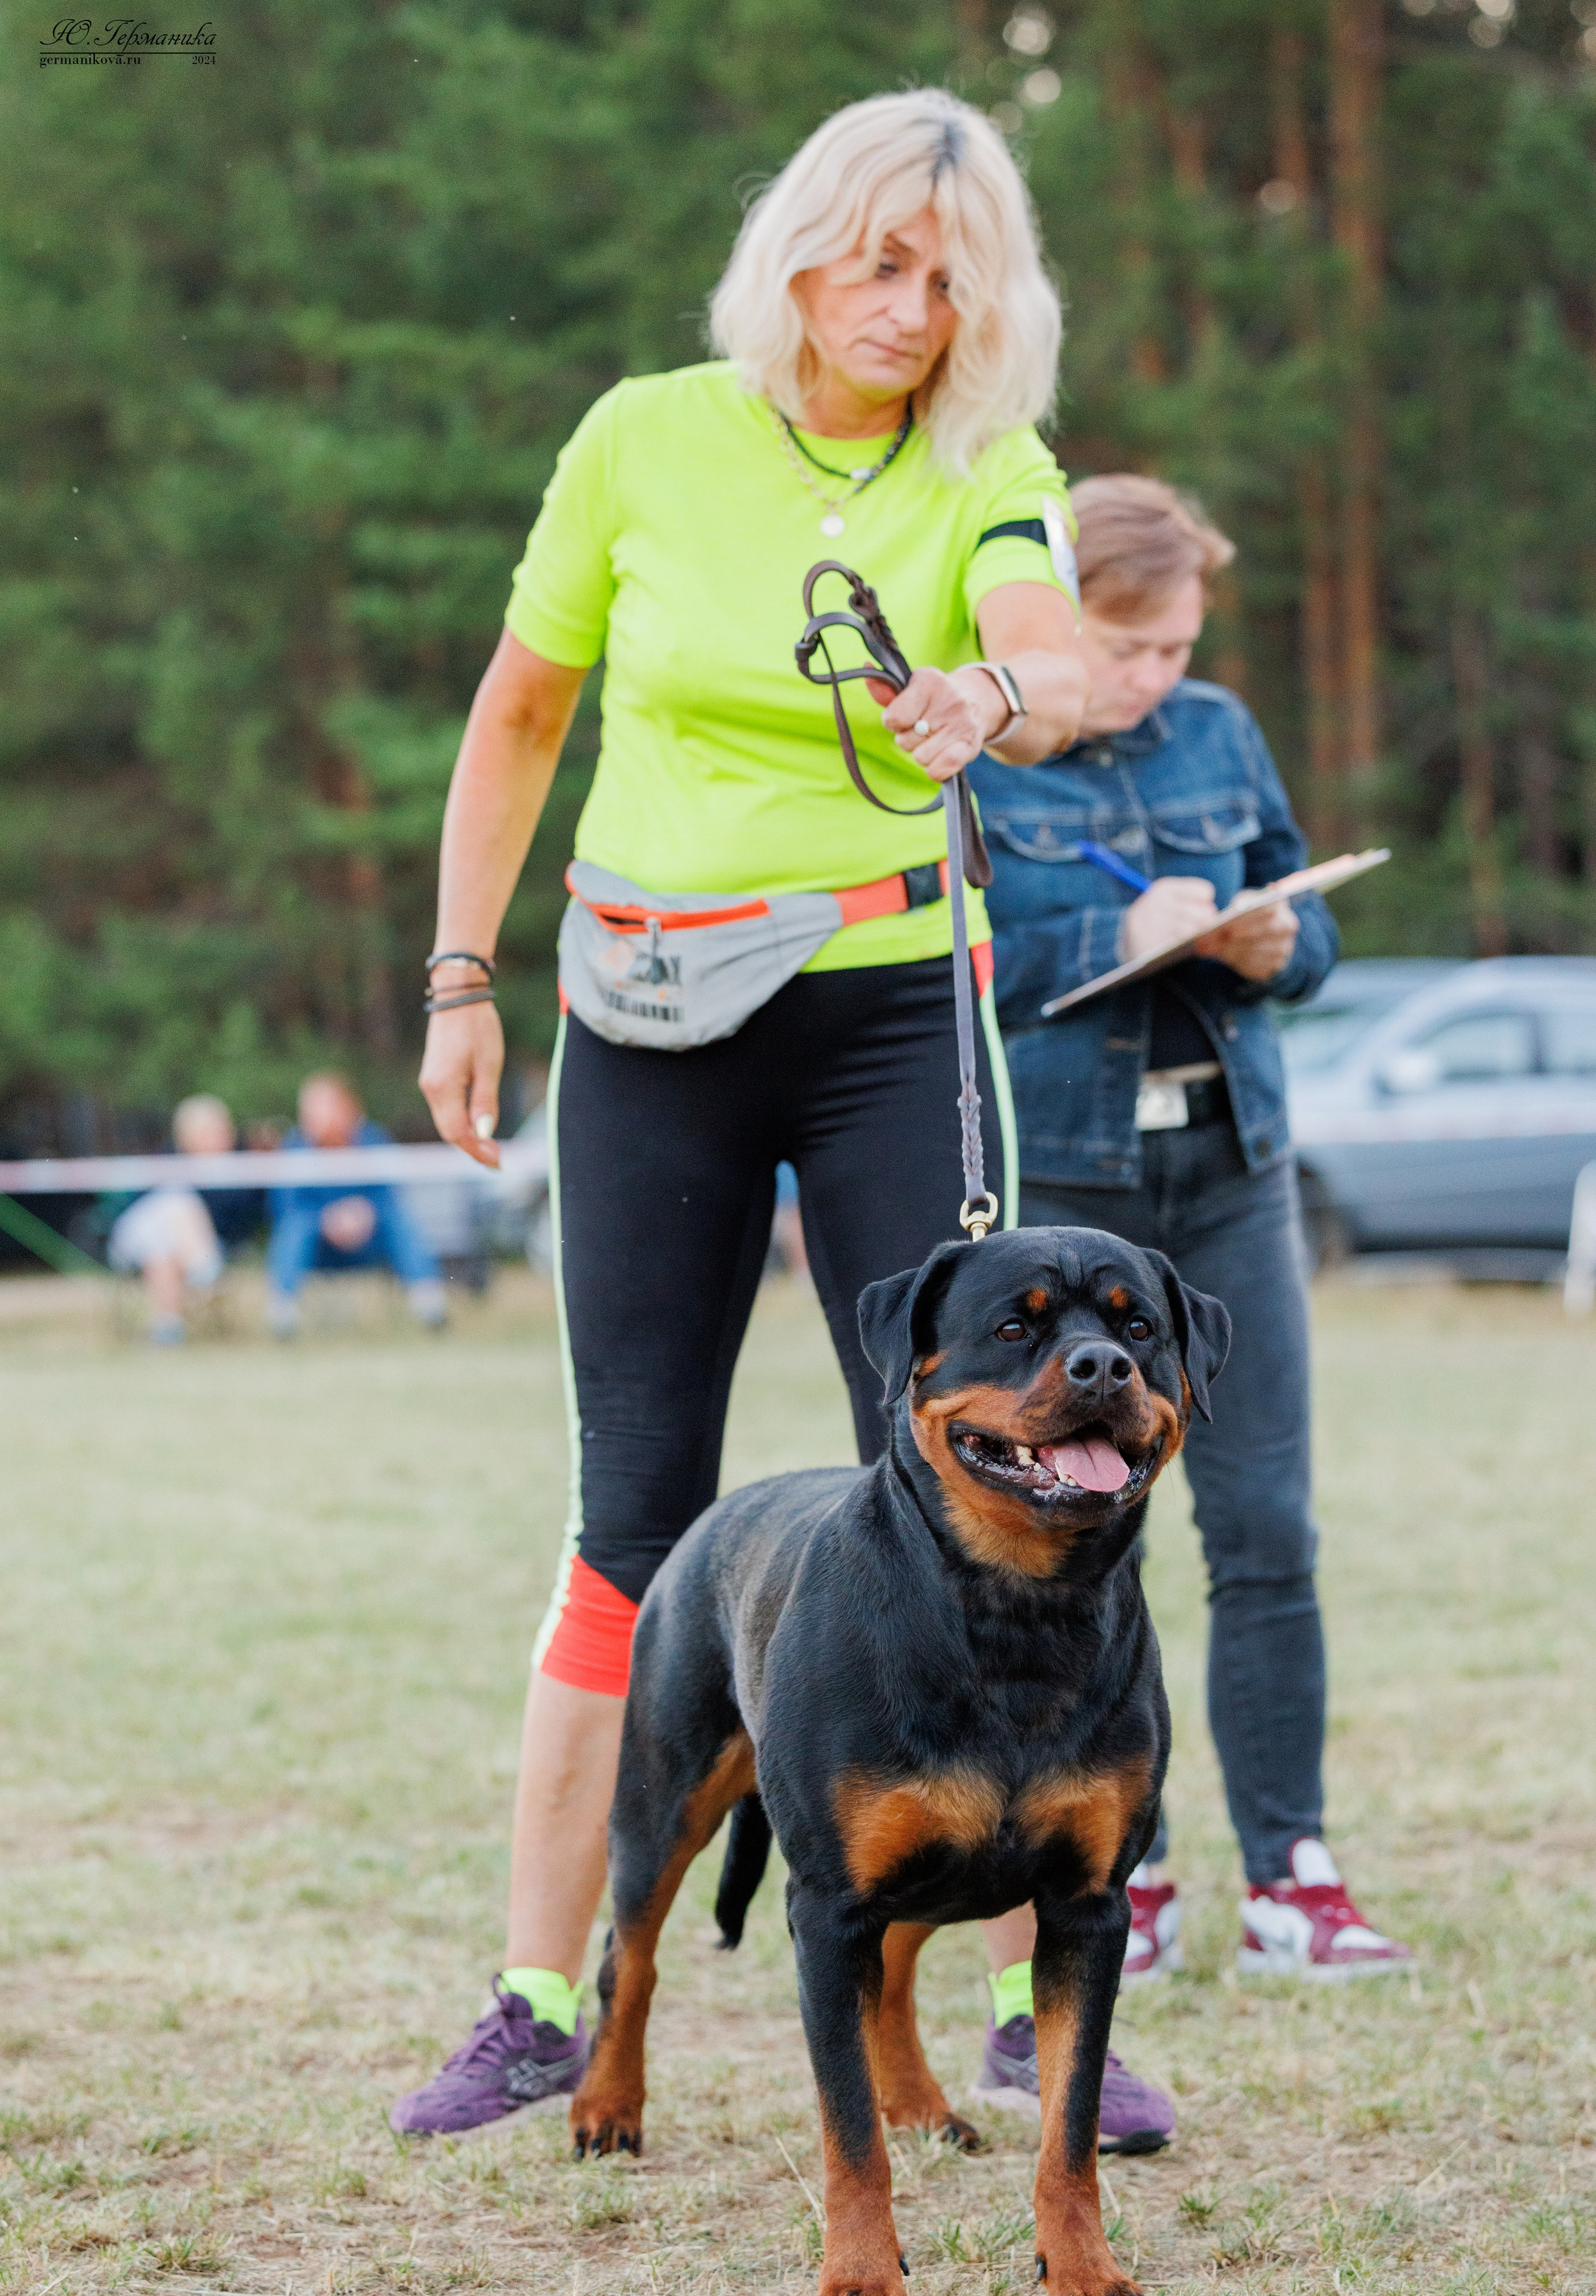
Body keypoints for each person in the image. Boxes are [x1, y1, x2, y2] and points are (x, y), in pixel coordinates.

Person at [393, 89, 1170, 2153]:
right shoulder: (644, 433)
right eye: (880, 258)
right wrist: (461, 975)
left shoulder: (988, 464)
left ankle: (1029, 2005)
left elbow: (1058, 653)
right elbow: (521, 712)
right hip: (644, 1013)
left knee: (981, 1474)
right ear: (801, 249)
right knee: (631, 1511)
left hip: (889, 1005)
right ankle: (541, 1997)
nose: (910, 306)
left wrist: (997, 702)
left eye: (952, 274)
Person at [970, 474, 1411, 2115]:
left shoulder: (1220, 730)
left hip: (1227, 1173)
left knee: (1265, 1529)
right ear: (1052, 612)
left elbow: (1310, 931)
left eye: (1172, 648)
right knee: (1082, 1547)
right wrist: (1113, 920)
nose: (1153, 674)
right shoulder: (985, 744)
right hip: (1072, 1199)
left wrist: (1259, 945)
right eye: (1126, 642)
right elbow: (960, 961)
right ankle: (1117, 1878)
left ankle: (1291, 1870)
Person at [265, 1072, 448, 1337]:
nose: (317, 1117)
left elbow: (391, 1194)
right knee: (295, 1227)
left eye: (324, 1107)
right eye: (310, 1110)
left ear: (346, 1108)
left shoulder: (373, 1140)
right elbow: (282, 1206)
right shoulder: (295, 1147)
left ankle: (430, 1304)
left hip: (369, 1240)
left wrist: (364, 1214)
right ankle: (282, 1314)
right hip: (318, 1246)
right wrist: (325, 1220)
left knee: (398, 1221)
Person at [105, 1094, 264, 1343]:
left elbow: (245, 1220)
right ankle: (205, 1270)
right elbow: (137, 1207)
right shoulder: (167, 1160)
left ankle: (168, 1328)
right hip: (135, 1237)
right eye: (210, 1132)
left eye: (222, 1130)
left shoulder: (241, 1169)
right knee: (175, 1199)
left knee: (162, 1247)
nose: (221, 1137)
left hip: (182, 1245)